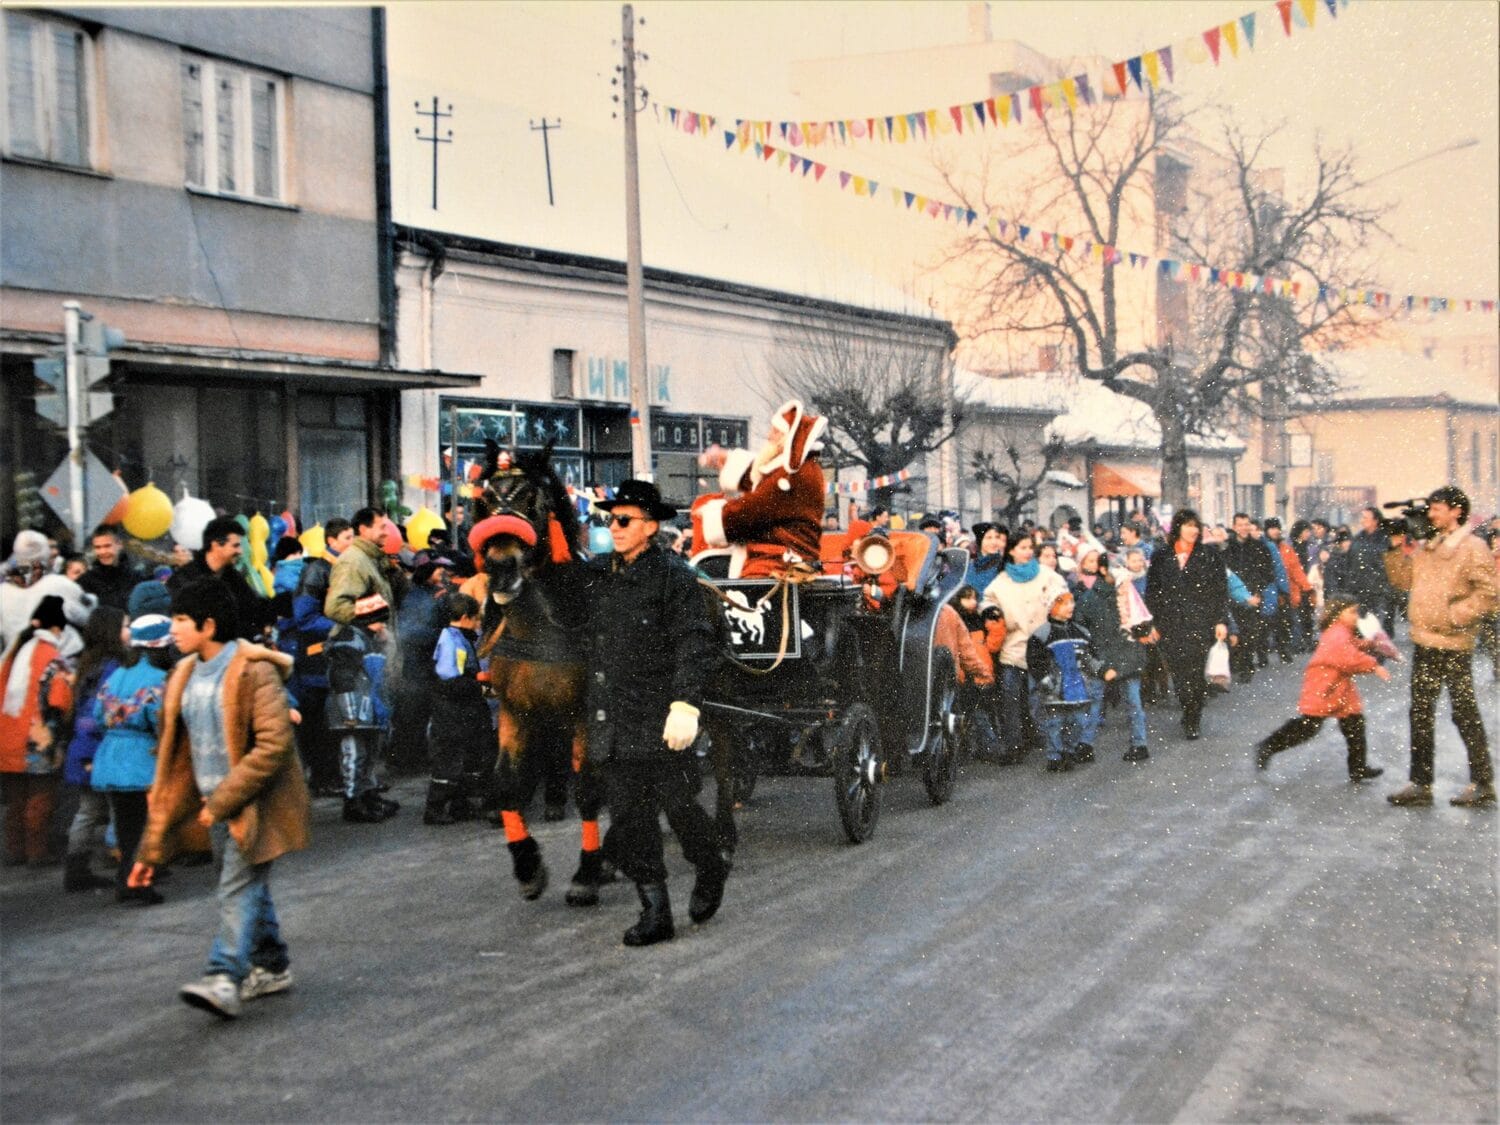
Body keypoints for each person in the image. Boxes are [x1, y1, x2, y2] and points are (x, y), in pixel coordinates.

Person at [127, 579, 311, 1019]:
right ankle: (272, 964)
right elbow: (177, 754)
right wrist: (160, 834)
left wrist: (224, 800)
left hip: (254, 802)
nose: (172, 629)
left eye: (181, 620)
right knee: (246, 886)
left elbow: (272, 746)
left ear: (208, 625)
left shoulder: (254, 670)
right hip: (214, 804)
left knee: (236, 885)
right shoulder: (184, 674)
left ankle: (223, 975)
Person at [586, 479, 729, 947]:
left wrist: (686, 705)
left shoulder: (674, 577)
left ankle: (710, 864)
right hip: (614, 719)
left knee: (680, 808)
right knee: (629, 820)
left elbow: (695, 644)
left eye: (624, 520)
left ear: (649, 527)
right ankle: (655, 911)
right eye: (611, 520)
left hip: (661, 717)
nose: (616, 527)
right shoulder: (602, 574)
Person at [1383, 487, 1499, 807]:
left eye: (1437, 509)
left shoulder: (1473, 547)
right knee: (1420, 712)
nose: (1431, 514)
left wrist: (1455, 616)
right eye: (1431, 508)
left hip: (1454, 642)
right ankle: (1421, 784)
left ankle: (1483, 782)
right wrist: (1397, 545)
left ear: (1456, 512)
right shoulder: (1428, 547)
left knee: (1463, 713)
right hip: (1425, 640)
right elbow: (1403, 581)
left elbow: (1489, 594)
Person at [1254, 597, 1388, 781]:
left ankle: (1358, 767)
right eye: (1351, 612)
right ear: (1337, 614)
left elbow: (1350, 647)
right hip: (1324, 685)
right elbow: (1347, 658)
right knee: (1310, 725)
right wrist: (1374, 665)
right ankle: (1268, 746)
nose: (1356, 616)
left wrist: (1368, 645)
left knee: (1354, 722)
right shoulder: (1338, 634)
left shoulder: (1340, 630)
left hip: (1335, 684)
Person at [91, 613, 175, 904]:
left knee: (127, 827)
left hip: (110, 758)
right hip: (142, 760)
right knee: (145, 828)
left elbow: (98, 716)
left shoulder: (117, 674)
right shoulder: (160, 679)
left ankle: (124, 882)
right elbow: (161, 720)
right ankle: (140, 884)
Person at [692, 400, 826, 578]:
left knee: (740, 593)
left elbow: (755, 508)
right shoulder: (794, 470)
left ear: (788, 438)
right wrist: (726, 460)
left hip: (778, 561)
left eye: (775, 431)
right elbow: (760, 479)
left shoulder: (793, 475)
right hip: (784, 557)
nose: (769, 436)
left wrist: (714, 513)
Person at [0, 595, 76, 865]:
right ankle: (37, 852)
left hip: (7, 740)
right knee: (40, 799)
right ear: (56, 628)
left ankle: (14, 850)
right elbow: (60, 700)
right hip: (38, 739)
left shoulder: (12, 655)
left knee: (15, 801)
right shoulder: (54, 659)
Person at [60, 604, 129, 892]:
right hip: (100, 750)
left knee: (88, 811)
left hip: (83, 749)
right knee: (118, 807)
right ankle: (127, 864)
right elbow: (100, 713)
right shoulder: (113, 668)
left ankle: (75, 869)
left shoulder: (89, 665)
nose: (130, 631)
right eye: (126, 626)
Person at [1145, 509, 1230, 741]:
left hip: (1200, 623)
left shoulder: (1209, 555)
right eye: (1188, 525)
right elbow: (1152, 592)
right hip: (1169, 623)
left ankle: (1193, 717)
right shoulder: (1161, 556)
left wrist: (1221, 620)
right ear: (1177, 528)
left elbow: (1220, 591)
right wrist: (1151, 623)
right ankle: (1187, 706)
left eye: (1196, 526)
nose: (1193, 530)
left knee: (1196, 673)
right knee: (1179, 673)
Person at [982, 537, 1068, 764]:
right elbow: (987, 599)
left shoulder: (1046, 575)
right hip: (1014, 646)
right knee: (1010, 699)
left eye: (1030, 547)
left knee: (1042, 697)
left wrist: (1055, 604)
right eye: (1023, 548)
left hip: (1042, 646)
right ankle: (1014, 746)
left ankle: (1051, 740)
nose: (1028, 552)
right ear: (1011, 551)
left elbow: (1062, 593)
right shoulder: (1001, 581)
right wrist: (991, 610)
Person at [425, 592, 491, 826]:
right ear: (465, 618)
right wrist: (479, 680)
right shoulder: (452, 642)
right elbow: (450, 680)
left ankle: (460, 806)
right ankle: (434, 809)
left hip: (460, 713)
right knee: (448, 763)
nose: (478, 624)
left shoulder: (458, 638)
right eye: (475, 619)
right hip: (452, 714)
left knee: (464, 760)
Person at [167, 517, 275, 641]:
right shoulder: (184, 580)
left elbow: (253, 609)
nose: (240, 551)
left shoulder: (234, 578)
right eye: (235, 546)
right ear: (216, 545)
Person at [1026, 591, 1099, 772]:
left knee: (1078, 721)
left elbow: (1090, 656)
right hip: (1055, 688)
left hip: (1078, 686)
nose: (1070, 607)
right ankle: (1054, 755)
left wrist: (1100, 670)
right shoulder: (1042, 634)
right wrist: (1045, 680)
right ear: (1051, 607)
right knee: (1055, 722)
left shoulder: (1081, 632)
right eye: (1064, 603)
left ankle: (1069, 750)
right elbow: (1035, 661)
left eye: (1071, 602)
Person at [1223, 514, 1277, 680]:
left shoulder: (1259, 547)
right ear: (1234, 526)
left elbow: (1268, 572)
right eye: (1240, 525)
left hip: (1253, 596)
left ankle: (1246, 667)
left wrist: (1258, 589)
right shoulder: (1227, 547)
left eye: (1246, 524)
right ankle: (1235, 663)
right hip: (1231, 597)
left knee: (1249, 633)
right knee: (1233, 631)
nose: (1243, 528)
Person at [1265, 518, 1313, 660]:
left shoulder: (1286, 549)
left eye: (1277, 528)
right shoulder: (1262, 547)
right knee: (1267, 622)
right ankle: (1265, 650)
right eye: (1272, 528)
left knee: (1285, 621)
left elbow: (1296, 570)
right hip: (1268, 590)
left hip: (1287, 591)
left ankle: (1283, 648)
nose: (1275, 531)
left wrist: (1307, 587)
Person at [1347, 507, 1395, 633]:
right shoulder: (1357, 539)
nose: (1362, 521)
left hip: (1381, 592)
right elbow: (1350, 563)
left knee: (1380, 630)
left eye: (1365, 518)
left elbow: (1391, 566)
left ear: (1376, 521)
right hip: (1360, 591)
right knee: (1362, 629)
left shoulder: (1386, 539)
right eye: (1362, 517)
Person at [77, 525, 143, 612]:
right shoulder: (85, 581)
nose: (103, 552)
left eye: (107, 546)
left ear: (119, 545)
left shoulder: (136, 578)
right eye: (98, 547)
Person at [965, 523, 1006, 593]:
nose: (994, 542)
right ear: (979, 541)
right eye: (989, 538)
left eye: (997, 537)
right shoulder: (969, 566)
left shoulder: (1003, 566)